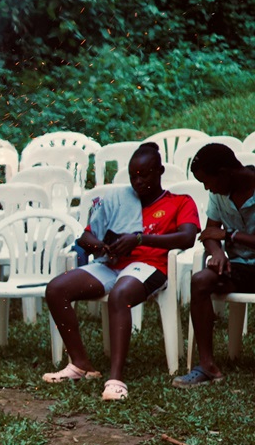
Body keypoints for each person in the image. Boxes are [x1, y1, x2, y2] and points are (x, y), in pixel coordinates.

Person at [43, 142, 198, 401]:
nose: (138, 181)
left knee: (120, 294)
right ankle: (80, 364)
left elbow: (187, 238)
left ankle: (115, 379)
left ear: (160, 171)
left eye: (144, 174)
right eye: (133, 175)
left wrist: (139, 240)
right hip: (112, 264)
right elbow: (86, 237)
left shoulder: (179, 202)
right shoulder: (118, 200)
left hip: (151, 266)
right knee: (57, 289)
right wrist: (102, 245)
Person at [174, 143, 255, 387]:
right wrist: (216, 252)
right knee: (200, 280)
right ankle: (207, 366)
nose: (207, 188)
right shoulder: (219, 194)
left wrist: (230, 236)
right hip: (238, 267)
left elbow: (222, 233)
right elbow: (210, 232)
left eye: (207, 182)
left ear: (224, 172)